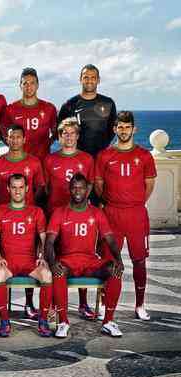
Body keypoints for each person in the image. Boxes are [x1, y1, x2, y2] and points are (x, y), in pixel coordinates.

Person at [94, 111, 156, 321]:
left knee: (139, 261)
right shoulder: (105, 155)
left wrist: (134, 202)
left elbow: (149, 185)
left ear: (134, 129)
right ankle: (105, 304)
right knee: (109, 260)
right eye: (120, 126)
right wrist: (113, 202)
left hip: (136, 213)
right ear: (114, 129)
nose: (123, 130)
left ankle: (140, 305)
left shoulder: (144, 155)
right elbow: (99, 185)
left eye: (127, 127)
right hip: (112, 213)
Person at [45, 173, 124, 338]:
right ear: (69, 190)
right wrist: (52, 263)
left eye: (81, 187)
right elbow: (49, 242)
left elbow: (110, 239)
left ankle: (108, 322)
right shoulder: (60, 213)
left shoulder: (96, 213)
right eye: (74, 187)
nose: (77, 191)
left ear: (87, 190)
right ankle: (63, 322)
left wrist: (119, 260)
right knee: (58, 272)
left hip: (90, 261)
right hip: (68, 261)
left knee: (114, 270)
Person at [44, 117, 96, 319]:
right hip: (55, 215)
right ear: (59, 136)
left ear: (78, 135)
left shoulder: (86, 159)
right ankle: (56, 305)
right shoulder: (50, 160)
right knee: (54, 260)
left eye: (72, 133)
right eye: (64, 133)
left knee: (81, 256)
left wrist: (80, 208)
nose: (69, 136)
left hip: (79, 217)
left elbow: (89, 186)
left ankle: (83, 303)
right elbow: (47, 188)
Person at [0, 174, 53, 337]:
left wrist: (44, 257)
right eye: (14, 187)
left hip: (29, 261)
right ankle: (4, 321)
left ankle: (43, 320)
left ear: (26, 189)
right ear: (8, 189)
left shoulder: (36, 211)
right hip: (8, 262)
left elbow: (44, 237)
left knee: (46, 274)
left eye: (20, 187)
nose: (17, 191)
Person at [58, 64, 116, 157]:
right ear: (80, 79)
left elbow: (113, 130)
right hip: (76, 158)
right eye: (86, 77)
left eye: (93, 77)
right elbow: (60, 132)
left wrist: (102, 147)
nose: (89, 80)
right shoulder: (69, 104)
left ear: (98, 80)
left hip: (101, 158)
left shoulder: (108, 103)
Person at [2, 68, 57, 160]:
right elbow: (3, 134)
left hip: (42, 161)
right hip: (19, 162)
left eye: (32, 83)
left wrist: (46, 144)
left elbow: (56, 133)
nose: (29, 87)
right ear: (20, 86)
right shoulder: (10, 109)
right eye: (25, 83)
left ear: (37, 85)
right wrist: (15, 148)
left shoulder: (49, 108)